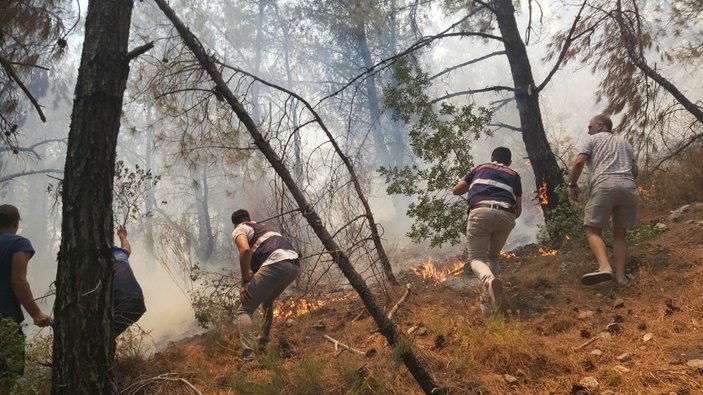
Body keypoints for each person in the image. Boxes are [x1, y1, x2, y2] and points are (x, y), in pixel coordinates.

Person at [569, 114, 639, 287]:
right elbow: (635, 170)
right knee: (620, 235)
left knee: (592, 230)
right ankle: (621, 278)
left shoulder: (592, 140)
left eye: (590, 126)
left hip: (605, 185)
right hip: (629, 187)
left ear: (600, 125)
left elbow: (579, 162)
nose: (588, 129)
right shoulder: (625, 143)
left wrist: (573, 185)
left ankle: (605, 267)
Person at [452, 147, 522, 317]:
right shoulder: (514, 175)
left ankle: (489, 280)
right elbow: (518, 210)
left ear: (492, 158)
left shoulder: (480, 168)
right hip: (507, 215)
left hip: (480, 212)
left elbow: (457, 190)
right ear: (509, 163)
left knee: (476, 258)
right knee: (493, 257)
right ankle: (491, 308)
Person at [231, 209, 300, 361]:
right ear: (250, 218)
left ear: (235, 224)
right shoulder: (263, 228)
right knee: (267, 301)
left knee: (244, 309)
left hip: (276, 263)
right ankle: (263, 342)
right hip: (294, 265)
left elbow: (245, 250)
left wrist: (245, 282)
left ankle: (248, 354)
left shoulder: (239, 229)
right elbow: (264, 253)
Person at [0, 204, 52, 391]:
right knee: (7, 379)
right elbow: (18, 280)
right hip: (4, 323)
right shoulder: (18, 244)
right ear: (15, 224)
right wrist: (36, 313)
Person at [112, 226, 146, 339]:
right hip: (138, 302)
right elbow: (127, 248)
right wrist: (122, 236)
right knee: (107, 335)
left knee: (103, 336)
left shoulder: (98, 259)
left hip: (121, 302)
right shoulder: (120, 253)